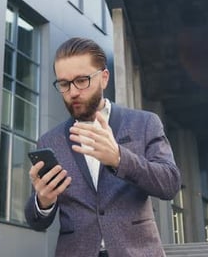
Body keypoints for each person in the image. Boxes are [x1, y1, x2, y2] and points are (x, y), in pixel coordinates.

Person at [24, 37, 181, 257]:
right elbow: (36, 221)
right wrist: (43, 201)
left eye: (82, 80)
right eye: (64, 83)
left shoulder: (144, 123)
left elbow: (170, 183)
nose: (73, 92)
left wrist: (119, 158)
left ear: (104, 78)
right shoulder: (50, 142)